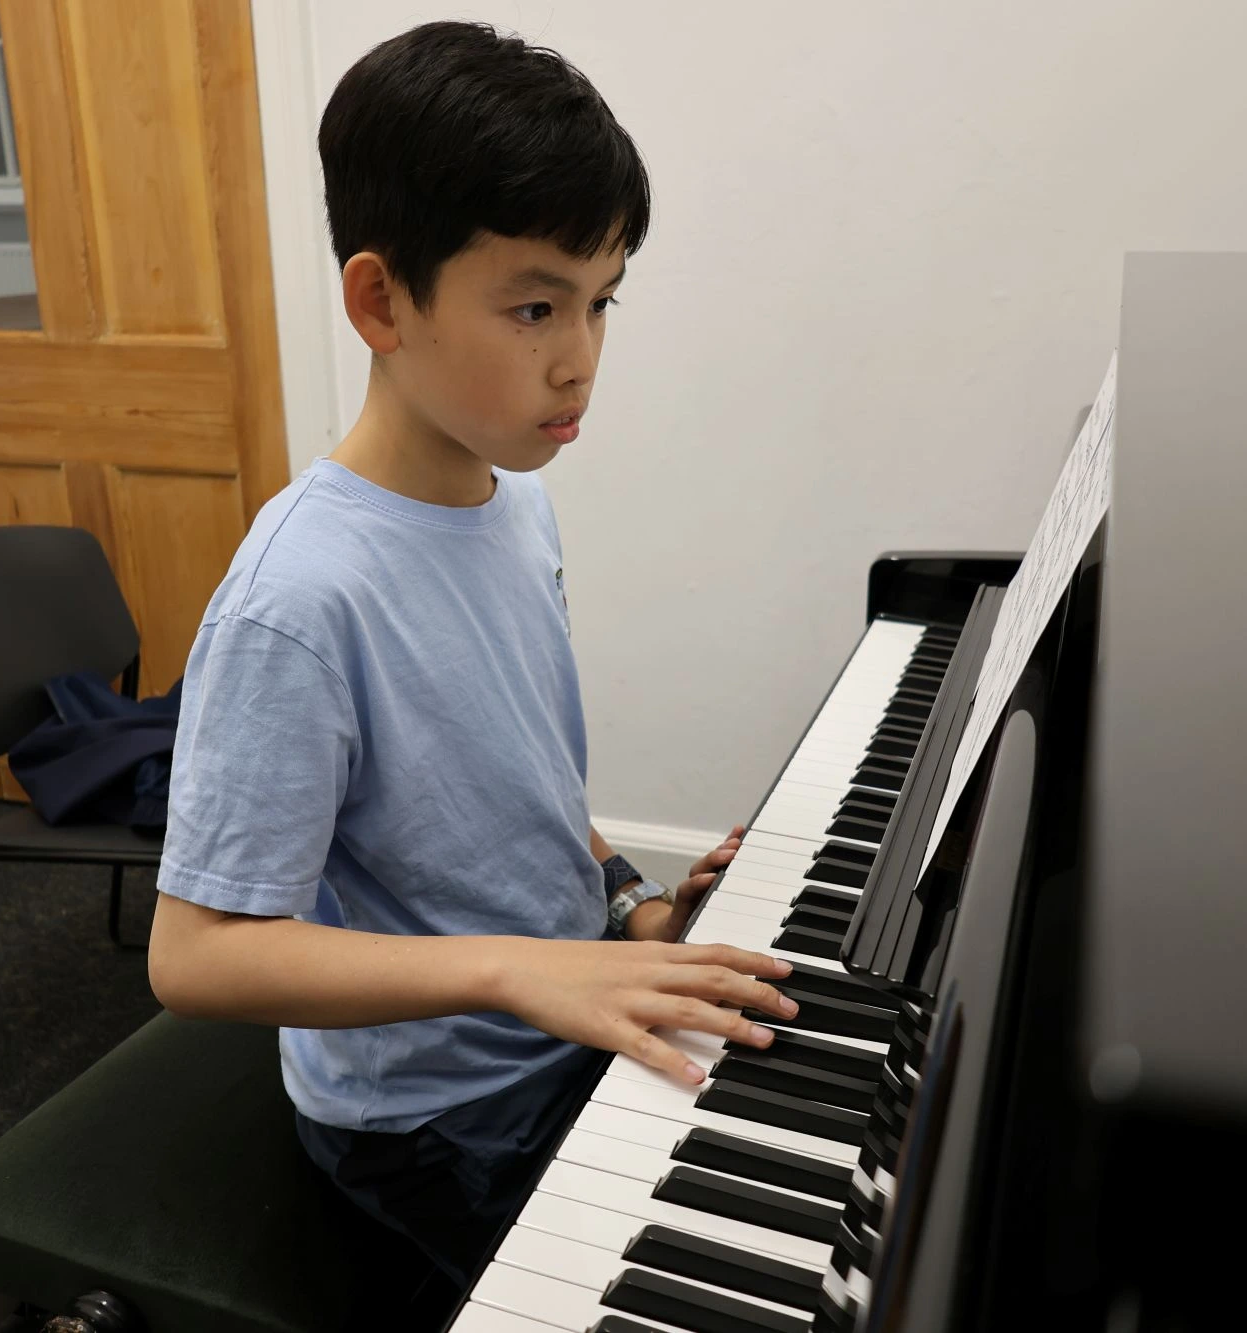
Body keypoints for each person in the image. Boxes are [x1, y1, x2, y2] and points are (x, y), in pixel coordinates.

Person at [145, 19, 797, 1288]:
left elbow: (513, 796)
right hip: (433, 1120)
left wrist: (636, 908)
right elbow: (197, 953)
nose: (581, 359)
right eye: (534, 306)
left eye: (601, 301)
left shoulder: (515, 497)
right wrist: (520, 971)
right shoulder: (299, 599)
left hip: (556, 1016)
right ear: (381, 300)